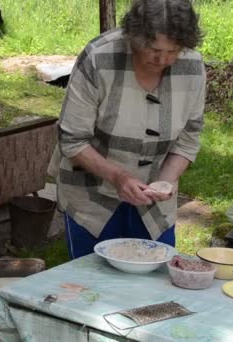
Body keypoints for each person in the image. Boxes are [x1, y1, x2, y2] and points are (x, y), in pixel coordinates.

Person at [47, 0, 206, 259]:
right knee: (93, 284)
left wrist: (166, 180)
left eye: (173, 51)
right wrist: (119, 177)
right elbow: (72, 140)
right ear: (134, 37)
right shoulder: (99, 57)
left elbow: (189, 138)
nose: (163, 59)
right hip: (92, 195)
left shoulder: (193, 66)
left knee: (155, 283)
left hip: (154, 207)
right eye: (154, 49)